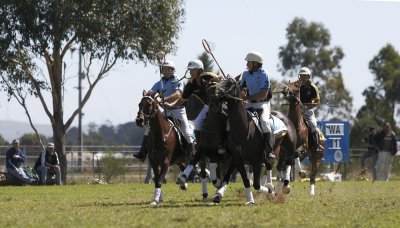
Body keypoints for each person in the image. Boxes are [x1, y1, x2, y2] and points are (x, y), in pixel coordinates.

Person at [165, 59, 220, 185]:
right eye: (189, 70)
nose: (190, 72)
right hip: (207, 107)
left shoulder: (209, 76)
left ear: (199, 70)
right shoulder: (190, 85)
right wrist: (170, 104)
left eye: (193, 70)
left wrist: (215, 81)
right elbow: (182, 100)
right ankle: (200, 145)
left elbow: (221, 81)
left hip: (220, 104)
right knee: (197, 123)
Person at [133, 60, 194, 162]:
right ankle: (142, 152)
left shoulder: (177, 80)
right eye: (164, 69)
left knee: (186, 132)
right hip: (165, 111)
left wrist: (164, 99)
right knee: (149, 128)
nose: (166, 71)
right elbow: (151, 92)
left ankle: (191, 153)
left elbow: (178, 94)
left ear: (172, 70)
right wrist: (147, 93)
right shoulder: (159, 83)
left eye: (168, 69)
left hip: (178, 111)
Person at [239, 51, 274, 158]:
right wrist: (240, 93)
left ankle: (269, 150)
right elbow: (241, 89)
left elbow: (263, 94)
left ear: (255, 63)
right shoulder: (245, 74)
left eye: (248, 62)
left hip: (262, 104)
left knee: (264, 122)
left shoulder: (264, 74)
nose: (246, 64)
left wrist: (246, 98)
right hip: (249, 104)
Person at [298, 67, 324, 152]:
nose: (302, 78)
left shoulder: (313, 87)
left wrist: (308, 106)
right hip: (297, 110)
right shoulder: (297, 85)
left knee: (313, 125)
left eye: (304, 76)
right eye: (301, 76)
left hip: (308, 111)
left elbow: (317, 101)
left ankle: (317, 145)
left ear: (308, 77)